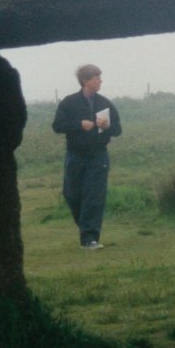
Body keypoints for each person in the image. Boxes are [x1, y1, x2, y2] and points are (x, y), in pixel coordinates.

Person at [51, 64, 122, 249]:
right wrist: (79, 125)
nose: (100, 81)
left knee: (94, 197)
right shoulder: (69, 102)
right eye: (97, 78)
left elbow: (118, 130)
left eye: (100, 78)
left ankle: (89, 239)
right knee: (71, 195)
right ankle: (86, 227)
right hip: (75, 156)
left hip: (99, 156)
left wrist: (107, 126)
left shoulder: (105, 103)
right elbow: (57, 126)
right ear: (85, 81)